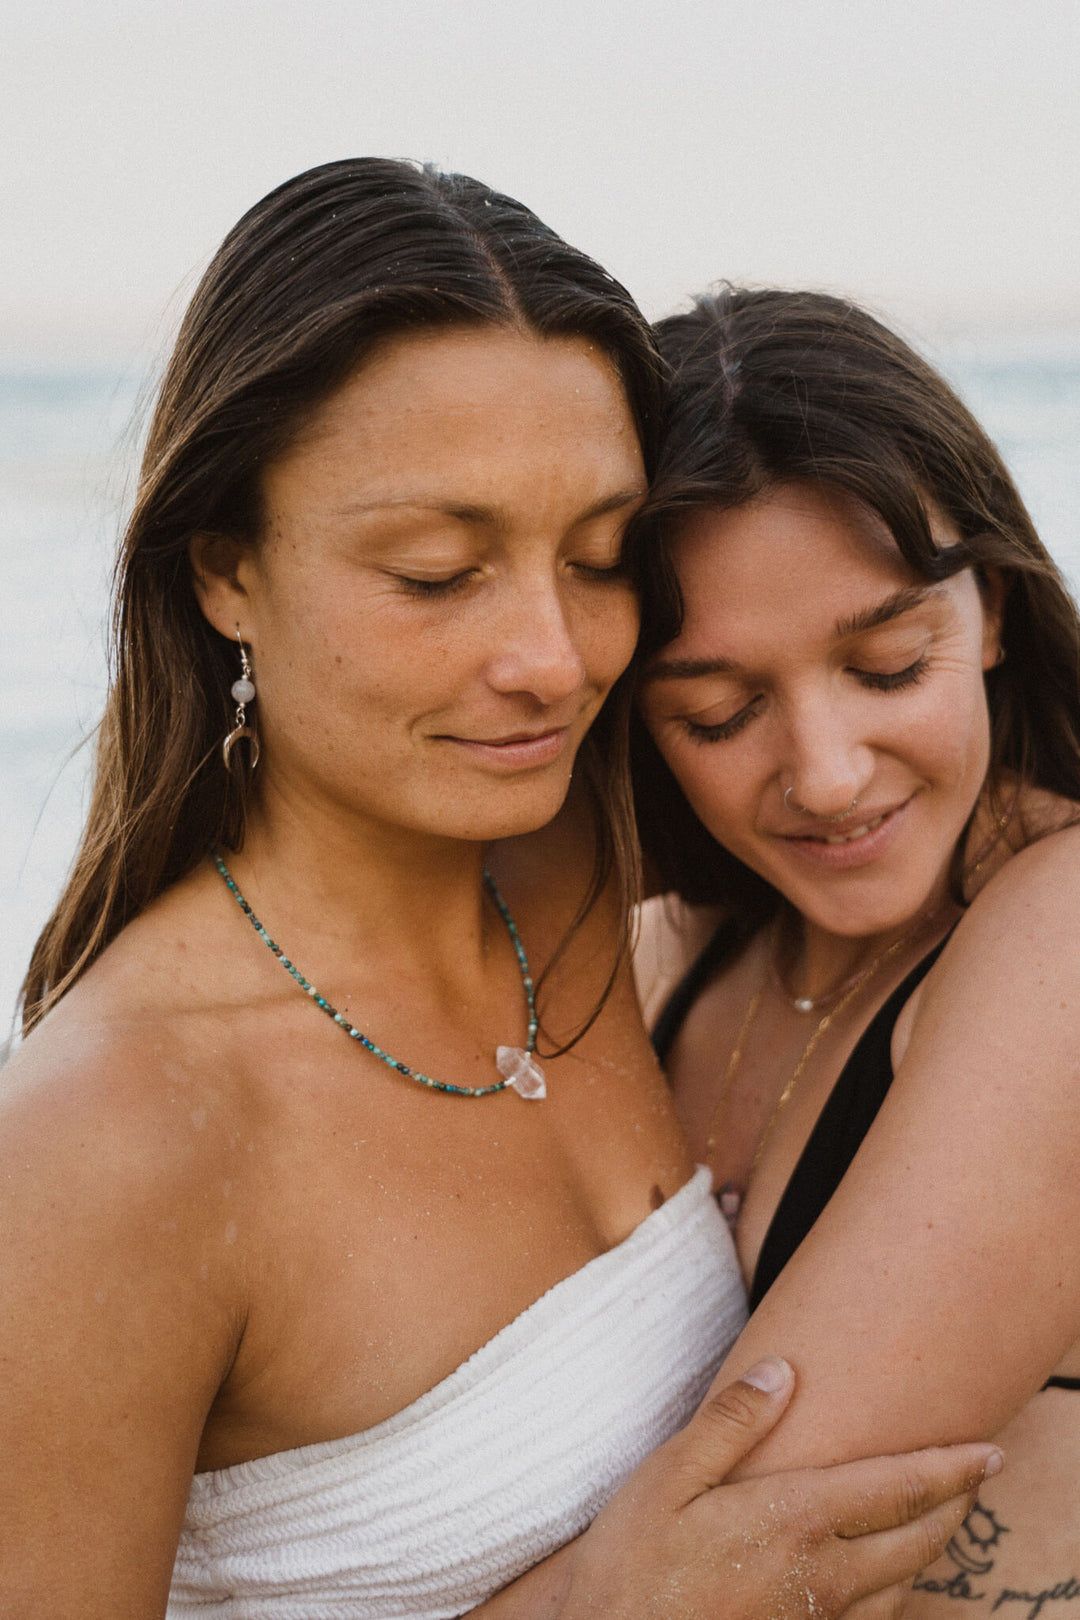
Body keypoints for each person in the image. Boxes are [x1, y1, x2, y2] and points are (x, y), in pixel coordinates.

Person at [2, 164, 993, 1619]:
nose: (553, 658)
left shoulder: (574, 850)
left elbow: (865, 774)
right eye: (437, 573)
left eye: (598, 558)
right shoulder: (115, 1139)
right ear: (226, 571)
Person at [631, 287, 1080, 1611]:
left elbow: (745, 1571)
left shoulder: (1059, 933)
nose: (826, 779)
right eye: (716, 714)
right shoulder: (687, 938)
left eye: (888, 665)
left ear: (992, 613)